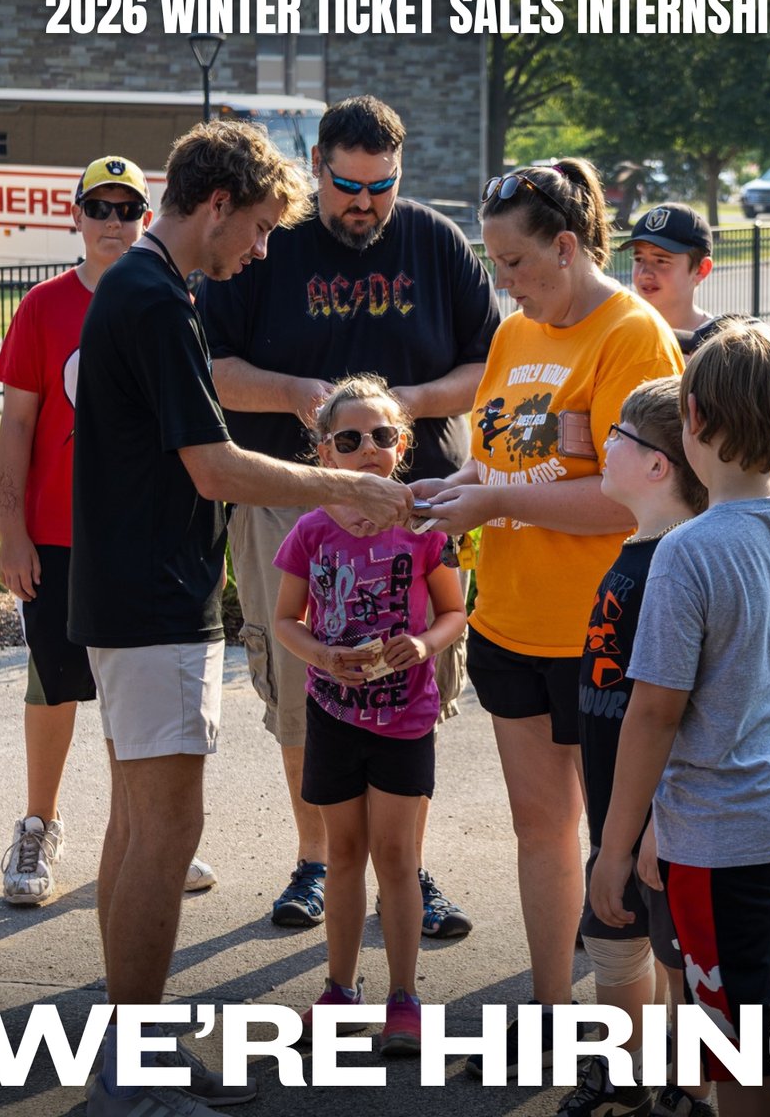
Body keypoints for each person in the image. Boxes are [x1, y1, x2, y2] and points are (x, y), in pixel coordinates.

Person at [68, 121, 413, 1117]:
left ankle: (133, 1049)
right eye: (259, 227)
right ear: (216, 204)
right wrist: (342, 487)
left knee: (139, 824)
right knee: (166, 829)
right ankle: (134, 1074)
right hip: (155, 601)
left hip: (129, 594)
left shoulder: (141, 287)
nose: (261, 250)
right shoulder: (153, 297)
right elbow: (215, 468)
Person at [199, 94, 500, 938]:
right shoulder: (269, 240)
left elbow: (489, 365)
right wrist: (300, 395)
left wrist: (410, 403)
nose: (365, 204)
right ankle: (316, 861)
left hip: (416, 505)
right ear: (316, 166)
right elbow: (210, 368)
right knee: (302, 676)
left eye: (381, 187)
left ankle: (406, 867)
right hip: (291, 500)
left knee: (413, 683)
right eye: (347, 186)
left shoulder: (434, 241)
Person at [413, 161, 684, 1076]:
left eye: (516, 262)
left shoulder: (632, 336)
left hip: (604, 634)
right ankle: (551, 1012)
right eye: (495, 262)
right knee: (541, 831)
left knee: (627, 842)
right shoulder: (516, 331)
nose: (504, 282)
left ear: (566, 246)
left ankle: (647, 1047)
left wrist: (494, 503)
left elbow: (629, 499)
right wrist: (450, 490)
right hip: (511, 624)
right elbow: (498, 460)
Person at [590, 321, 770, 1117]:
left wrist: (614, 848)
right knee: (767, 1030)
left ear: (693, 418)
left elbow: (653, 715)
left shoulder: (688, 553)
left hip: (720, 839)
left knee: (735, 1052)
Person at [0, 156, 214, 903]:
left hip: (140, 535)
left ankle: (149, 837)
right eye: (100, 208)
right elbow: (17, 426)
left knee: (138, 696)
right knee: (54, 683)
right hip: (58, 534)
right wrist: (12, 532)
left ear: (147, 218)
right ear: (77, 216)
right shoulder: (44, 306)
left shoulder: (171, 299)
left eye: (128, 209)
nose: (114, 222)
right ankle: (38, 825)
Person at [273, 373, 467, 1055]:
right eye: (349, 439)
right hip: (332, 715)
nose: (367, 450)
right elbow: (285, 621)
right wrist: (322, 656)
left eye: (382, 436)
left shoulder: (422, 528)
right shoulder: (310, 530)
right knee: (345, 853)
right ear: (324, 452)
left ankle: (404, 997)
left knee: (397, 855)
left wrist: (425, 644)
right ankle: (340, 990)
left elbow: (454, 611)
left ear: (402, 445)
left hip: (405, 720)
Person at [561, 377, 711, 1117]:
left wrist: (654, 827)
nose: (603, 442)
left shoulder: (675, 564)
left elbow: (681, 713)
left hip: (661, 823)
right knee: (614, 937)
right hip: (619, 814)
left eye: (617, 434)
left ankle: (687, 1091)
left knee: (679, 962)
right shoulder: (641, 546)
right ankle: (623, 1075)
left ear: (658, 465)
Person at [619, 203, 715, 349]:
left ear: (701, 269)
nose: (644, 274)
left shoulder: (720, 347)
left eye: (661, 261)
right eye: (639, 259)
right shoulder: (619, 336)